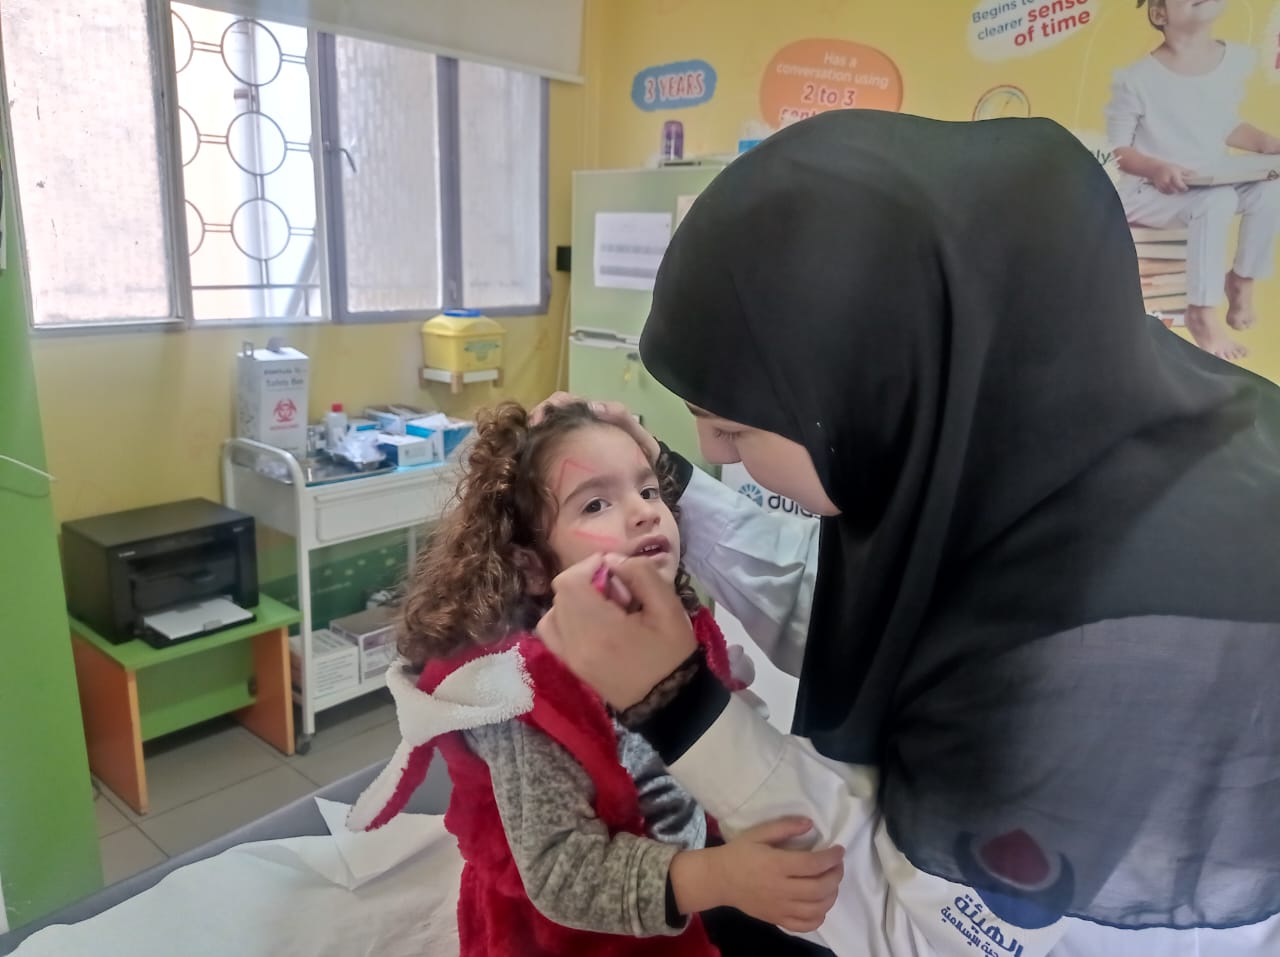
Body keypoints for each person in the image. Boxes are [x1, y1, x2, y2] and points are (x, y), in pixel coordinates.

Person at [534, 109, 1280, 956]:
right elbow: (882, 615)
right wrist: (667, 483)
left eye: (735, 428)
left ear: (878, 388)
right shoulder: (1027, 426)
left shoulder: (1085, 673)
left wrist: (682, 708)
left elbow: (913, 930)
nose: (715, 453)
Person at [347, 400, 842, 957]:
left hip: (686, 897)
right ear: (533, 565)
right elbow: (561, 874)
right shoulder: (525, 699)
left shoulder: (674, 623)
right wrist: (720, 877)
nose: (644, 513)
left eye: (648, 490)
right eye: (597, 503)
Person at [1106, 0, 1280, 360]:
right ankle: (1201, 312)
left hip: (1211, 178)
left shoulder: (1231, 61)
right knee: (1218, 201)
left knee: (1271, 188)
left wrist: (1266, 143)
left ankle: (1241, 279)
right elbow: (1120, 150)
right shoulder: (1137, 79)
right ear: (1160, 14)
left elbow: (1223, 124)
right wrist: (1155, 168)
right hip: (1152, 191)